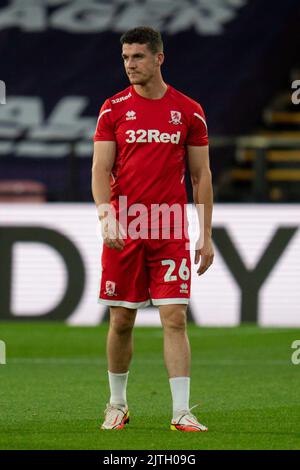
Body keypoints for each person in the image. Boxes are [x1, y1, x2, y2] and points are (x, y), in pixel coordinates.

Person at [92, 26, 214, 432]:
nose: (130, 64)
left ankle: (181, 411)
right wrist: (106, 214)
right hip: (125, 228)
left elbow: (201, 177)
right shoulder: (112, 109)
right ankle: (117, 404)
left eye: (138, 57)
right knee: (121, 319)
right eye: (125, 57)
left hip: (168, 227)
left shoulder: (189, 110)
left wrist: (206, 234)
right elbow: (100, 168)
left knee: (175, 317)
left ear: (159, 58)